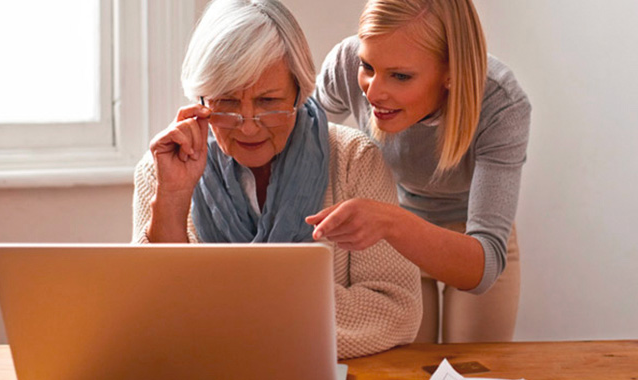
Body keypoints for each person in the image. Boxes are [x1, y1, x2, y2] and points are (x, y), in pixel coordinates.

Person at [131, 0, 421, 359]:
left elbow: (396, 311)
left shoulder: (354, 160)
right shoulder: (161, 167)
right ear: (200, 100)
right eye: (227, 102)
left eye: (269, 101)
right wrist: (173, 197)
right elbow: (150, 313)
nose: (249, 125)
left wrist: (228, 315)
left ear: (300, 92)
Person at [308, 0, 530, 343]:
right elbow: (292, 139)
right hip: (393, 235)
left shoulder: (501, 104)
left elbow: (484, 265)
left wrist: (389, 221)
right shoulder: (346, 63)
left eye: (400, 76)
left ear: (451, 73)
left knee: (476, 366)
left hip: (470, 237)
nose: (374, 92)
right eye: (368, 66)